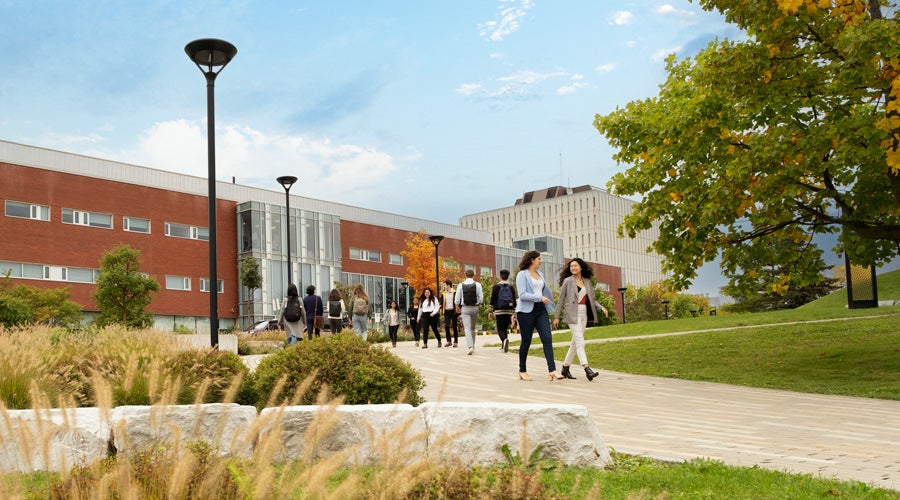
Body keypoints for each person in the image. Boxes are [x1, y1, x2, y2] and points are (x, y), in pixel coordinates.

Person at [553, 258, 608, 381]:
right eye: (571, 266)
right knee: (580, 341)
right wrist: (556, 317)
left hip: (584, 313)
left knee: (574, 344)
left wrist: (601, 308)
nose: (573, 268)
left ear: (581, 267)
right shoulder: (568, 281)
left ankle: (565, 369)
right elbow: (561, 300)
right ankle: (587, 368)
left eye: (575, 266)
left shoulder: (587, 282)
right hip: (572, 314)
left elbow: (592, 300)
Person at [514, 250, 564, 381]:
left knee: (547, 338)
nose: (541, 261)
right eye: (539, 259)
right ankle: (522, 370)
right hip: (526, 311)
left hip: (541, 310)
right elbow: (522, 294)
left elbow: (543, 290)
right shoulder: (522, 274)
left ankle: (552, 370)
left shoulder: (540, 274)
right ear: (532, 260)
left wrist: (548, 299)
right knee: (526, 341)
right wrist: (539, 297)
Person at [454, 269, 483, 355]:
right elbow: (481, 299)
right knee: (473, 328)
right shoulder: (478, 285)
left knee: (467, 328)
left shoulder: (460, 285)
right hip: (475, 307)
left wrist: (457, 306)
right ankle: (473, 346)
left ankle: (470, 346)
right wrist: (477, 302)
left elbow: (457, 298)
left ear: (465, 275)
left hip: (465, 308)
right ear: (473, 275)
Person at [489, 269, 517, 353]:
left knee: (500, 328)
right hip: (509, 310)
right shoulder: (511, 287)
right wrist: (514, 311)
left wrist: (490, 311)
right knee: (505, 328)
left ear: (500, 276)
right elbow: (514, 300)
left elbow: (492, 299)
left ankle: (504, 340)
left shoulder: (496, 287)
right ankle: (503, 345)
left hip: (499, 310)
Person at [441, 280, 459, 347]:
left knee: (454, 327)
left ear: (448, 285)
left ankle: (455, 342)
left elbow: (457, 301)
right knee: (447, 326)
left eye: (444, 285)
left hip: (453, 311)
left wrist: (458, 310)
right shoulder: (443, 294)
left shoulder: (454, 292)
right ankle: (449, 341)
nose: (444, 286)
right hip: (446, 311)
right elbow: (441, 302)